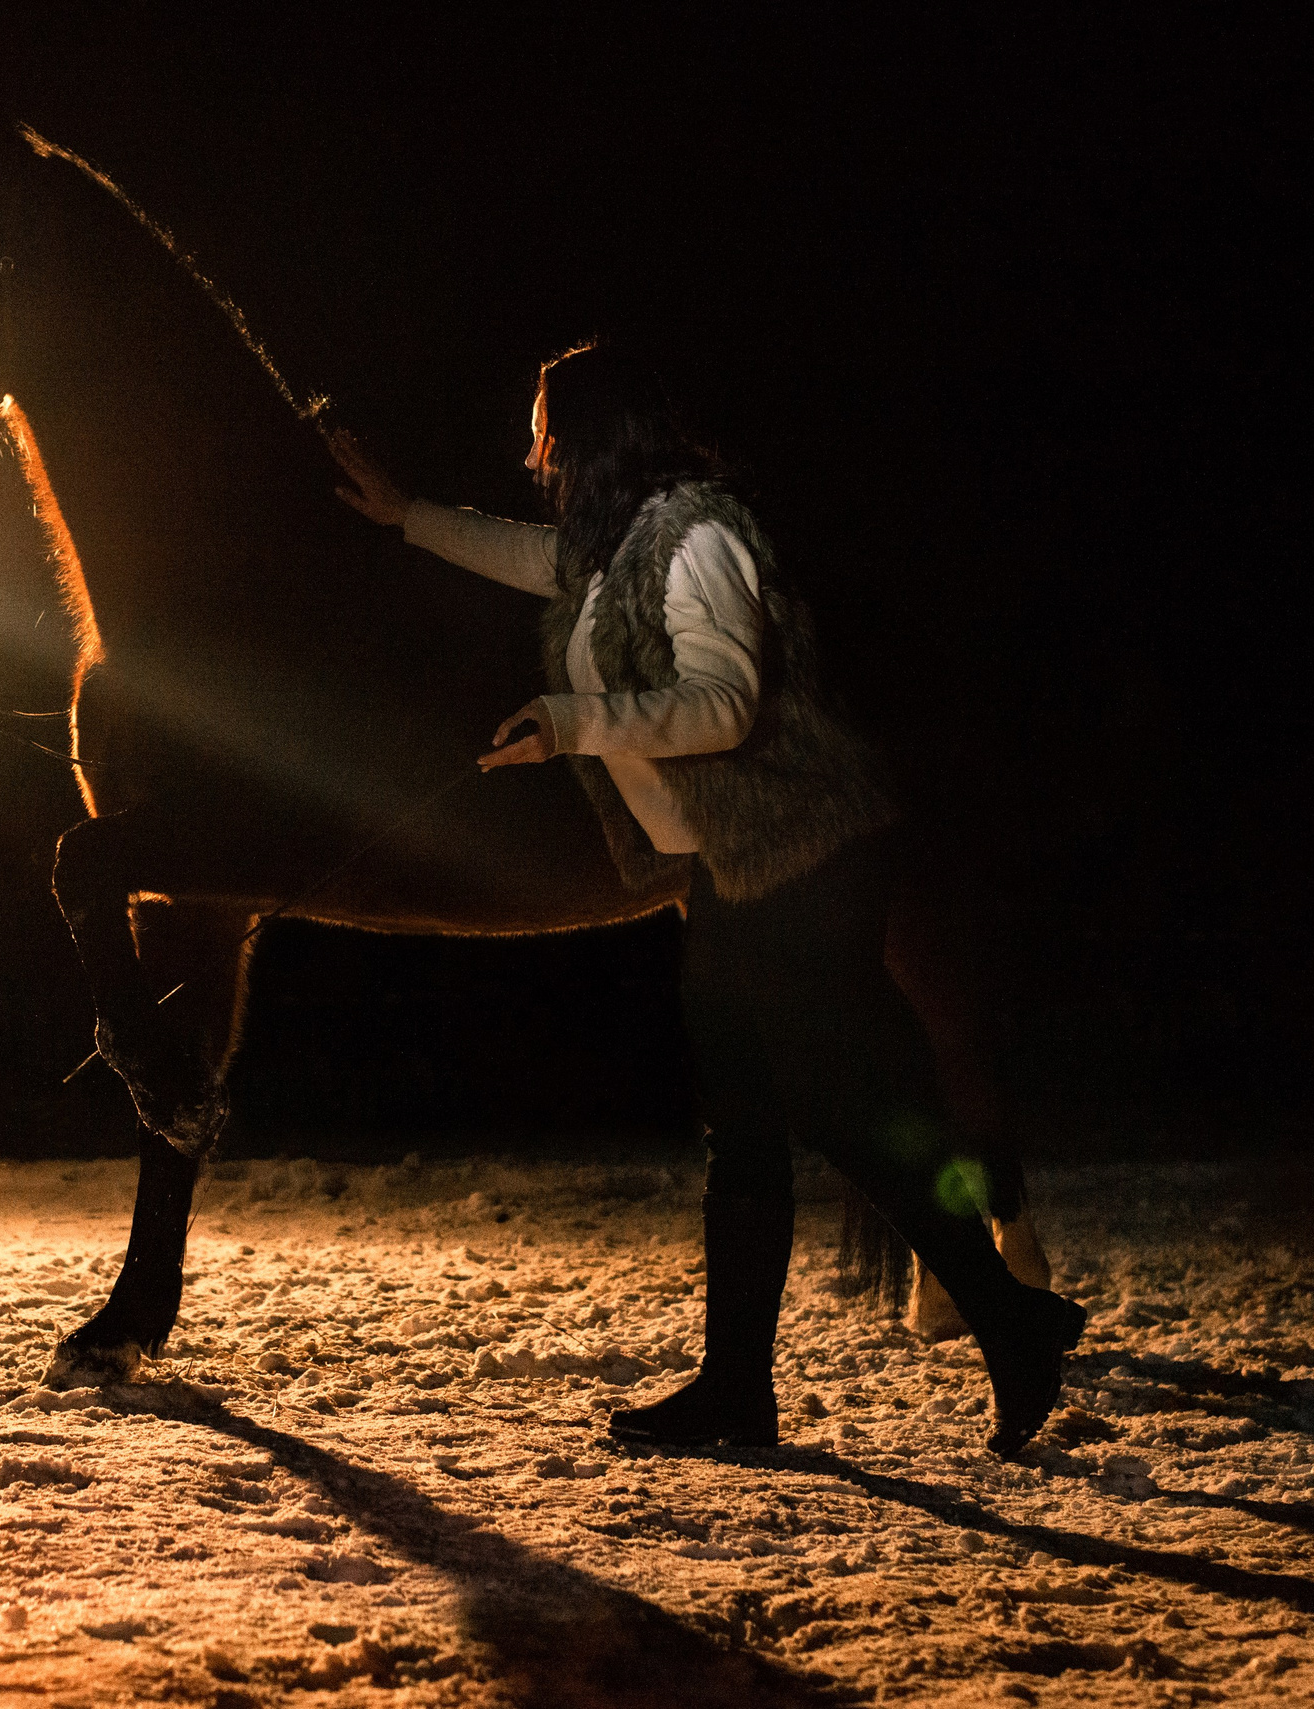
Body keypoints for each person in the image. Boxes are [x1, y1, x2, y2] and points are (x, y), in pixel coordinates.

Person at [327, 342, 1085, 1455]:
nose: (532, 450)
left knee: (799, 1113)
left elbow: (723, 704)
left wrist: (571, 719)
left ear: (593, 433)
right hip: (741, 861)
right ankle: (774, 1380)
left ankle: (999, 1321)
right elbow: (534, 554)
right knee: (757, 1127)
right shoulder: (626, 540)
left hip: (804, 845)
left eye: (545, 427)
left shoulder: (698, 535)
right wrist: (407, 516)